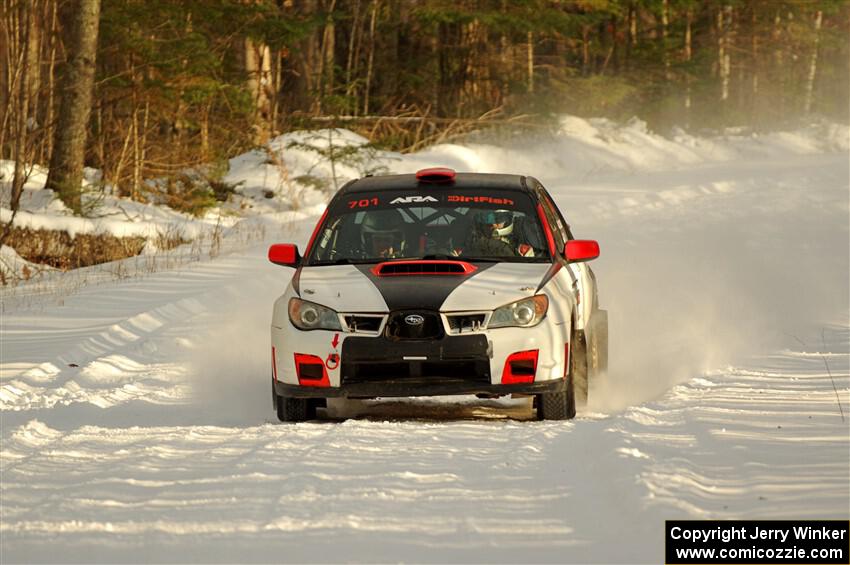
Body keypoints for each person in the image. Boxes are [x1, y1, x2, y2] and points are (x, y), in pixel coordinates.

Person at [462, 209, 535, 257]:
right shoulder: (473, 238)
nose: (493, 224)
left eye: (498, 219)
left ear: (508, 219)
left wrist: (527, 254)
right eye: (489, 219)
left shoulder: (521, 239)